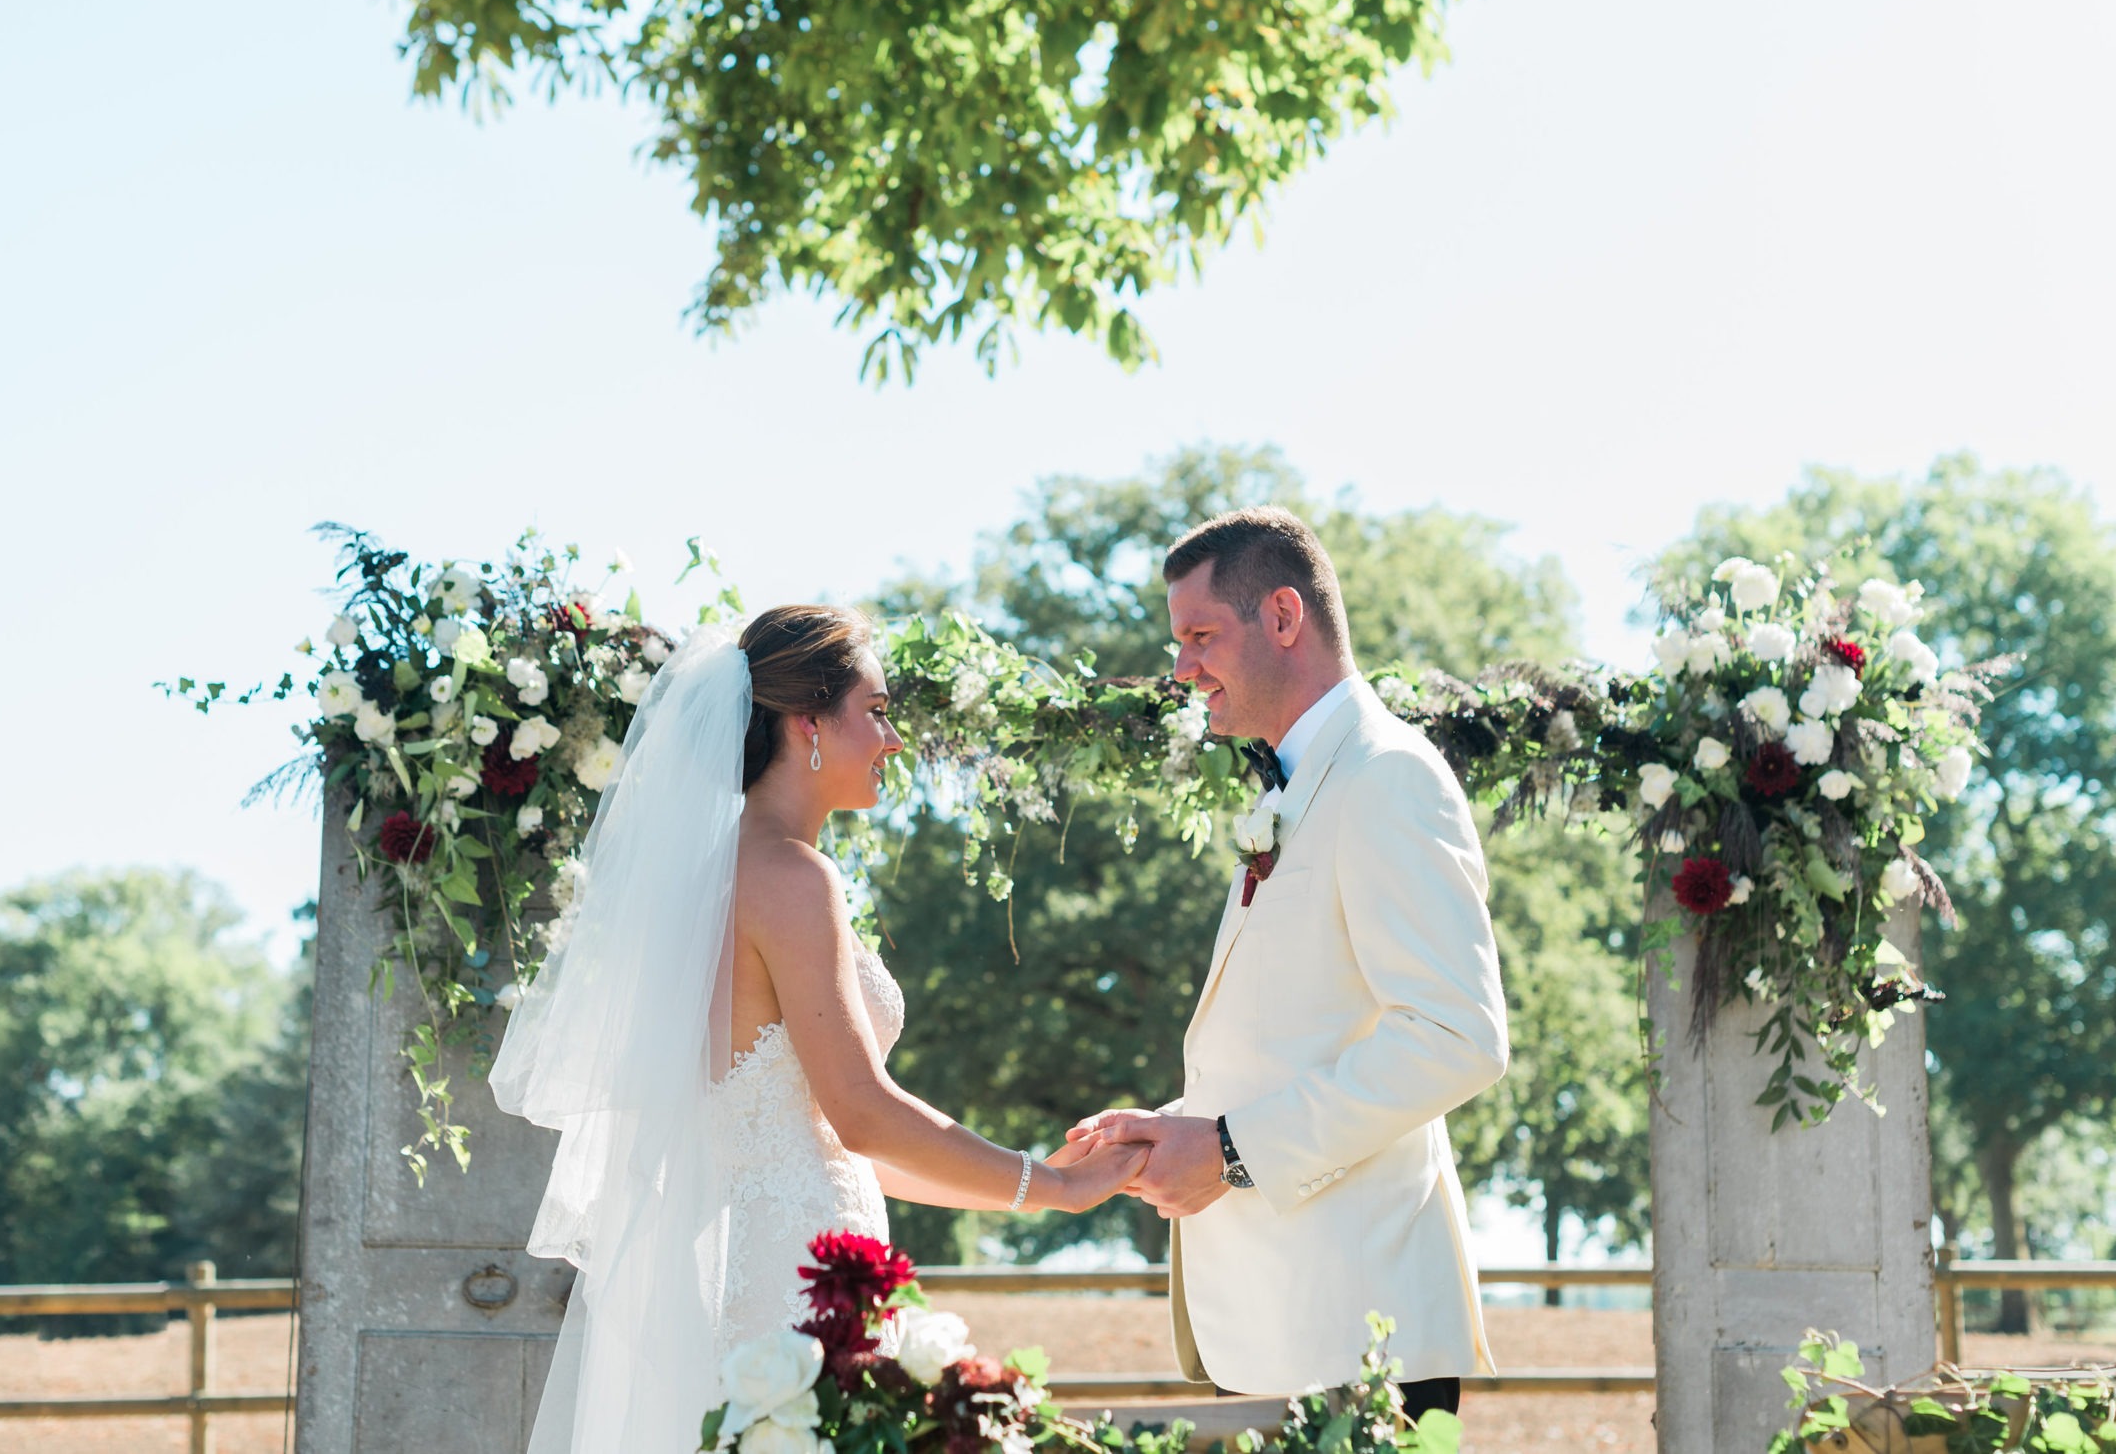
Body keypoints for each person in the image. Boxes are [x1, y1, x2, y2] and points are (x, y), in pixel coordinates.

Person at [492, 606, 1146, 1454]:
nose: (894, 738)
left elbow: (841, 1146)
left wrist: (1031, 1178)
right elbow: (862, 1114)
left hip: (786, 1254)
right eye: (875, 710)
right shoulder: (792, 877)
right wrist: (1053, 1190)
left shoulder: (720, 878)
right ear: (807, 722)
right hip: (795, 1280)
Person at [1070, 507, 1510, 1418]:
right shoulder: (1298, 781)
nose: (1181, 668)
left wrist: (1228, 1150)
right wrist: (1177, 1130)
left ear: (1282, 616)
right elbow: (1294, 1037)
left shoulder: (1389, 776)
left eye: (1200, 636)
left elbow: (1456, 1037)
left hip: (1357, 1335)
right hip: (1276, 1329)